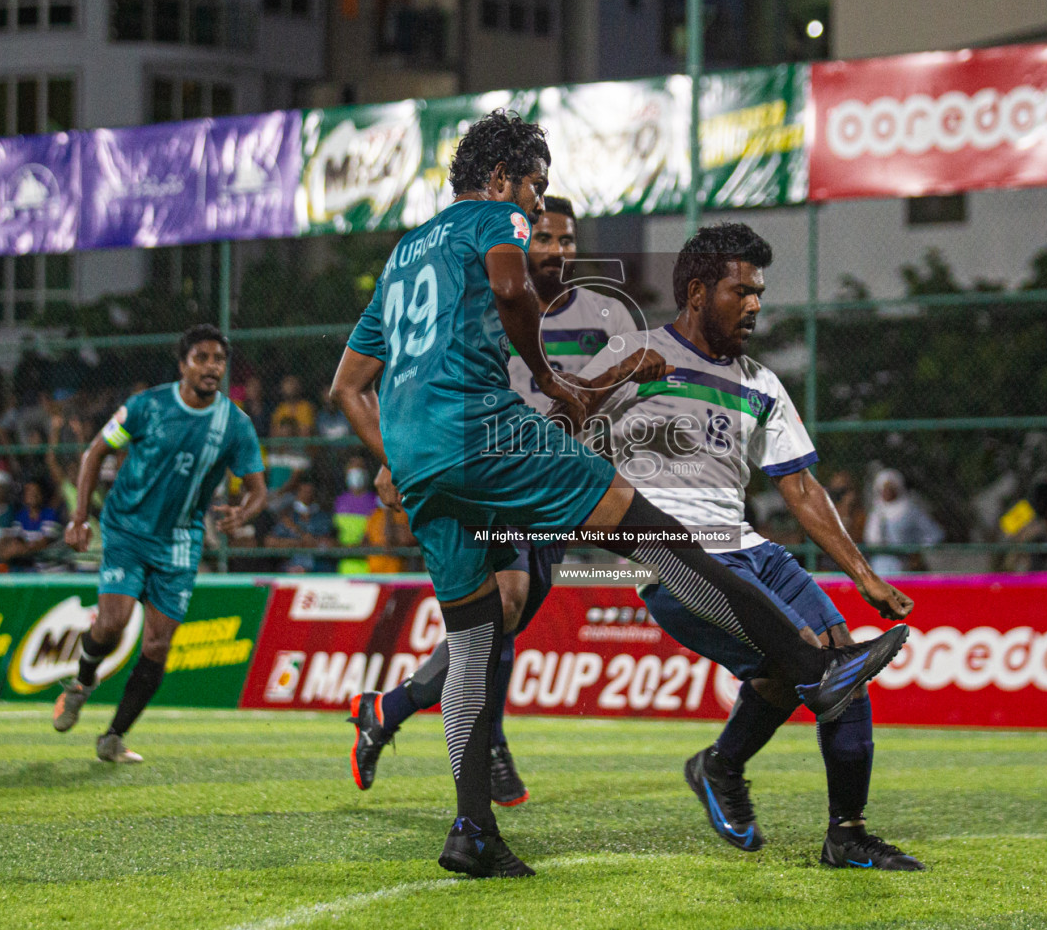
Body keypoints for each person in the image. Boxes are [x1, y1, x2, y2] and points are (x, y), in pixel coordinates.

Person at [330, 110, 907, 878]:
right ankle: (811, 666)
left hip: (423, 458)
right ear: (503, 177)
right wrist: (552, 379)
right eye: (535, 192)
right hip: (486, 433)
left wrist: (395, 458)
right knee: (657, 537)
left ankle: (471, 830)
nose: (537, 211)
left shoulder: (403, 253)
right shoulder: (492, 215)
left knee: (475, 638)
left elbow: (347, 386)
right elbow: (510, 285)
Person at [573, 223, 923, 870]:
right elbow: (555, 429)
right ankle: (724, 768)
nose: (756, 304)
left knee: (841, 663)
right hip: (680, 559)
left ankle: (842, 830)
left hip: (755, 552)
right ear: (699, 291)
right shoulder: (635, 353)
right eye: (742, 291)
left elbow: (801, 487)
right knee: (807, 668)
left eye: (760, 292)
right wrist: (611, 381)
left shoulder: (760, 383)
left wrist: (865, 576)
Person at [346, 194, 642, 807]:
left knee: (508, 616)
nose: (559, 249)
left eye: (567, 240)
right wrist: (392, 458)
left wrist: (621, 374)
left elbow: (575, 402)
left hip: (542, 480)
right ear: (519, 240)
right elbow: (428, 386)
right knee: (502, 605)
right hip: (485, 474)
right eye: (546, 237)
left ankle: (390, 709)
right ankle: (486, 747)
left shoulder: (592, 317)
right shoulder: (482, 294)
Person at [51, 325, 267, 763]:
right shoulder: (147, 406)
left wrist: (245, 512)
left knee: (157, 646)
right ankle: (82, 683)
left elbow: (257, 488)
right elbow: (95, 452)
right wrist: (79, 518)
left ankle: (113, 736)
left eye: (219, 360)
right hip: (128, 531)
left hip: (181, 543)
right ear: (183, 363)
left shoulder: (235, 424)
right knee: (113, 622)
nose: (212, 368)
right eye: (202, 358)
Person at [863, 470, 944, 576]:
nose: (886, 492)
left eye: (890, 488)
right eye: (883, 488)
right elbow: (870, 539)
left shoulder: (909, 510)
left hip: (904, 565)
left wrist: (917, 551)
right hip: (879, 565)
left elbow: (935, 534)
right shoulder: (876, 512)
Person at [265, 481, 334, 573]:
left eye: (310, 492)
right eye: (303, 492)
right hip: (290, 567)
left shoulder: (322, 517)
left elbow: (331, 543)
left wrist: (313, 542)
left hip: (318, 568)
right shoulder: (288, 516)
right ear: (297, 493)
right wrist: (298, 543)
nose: (306, 496)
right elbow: (270, 542)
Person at [3, 480, 64, 573]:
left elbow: (43, 543)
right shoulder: (20, 516)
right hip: (34, 571)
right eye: (29, 491)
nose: (33, 495)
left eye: (36, 491)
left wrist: (22, 549)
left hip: (53, 572)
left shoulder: (51, 515)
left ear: (42, 495)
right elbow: (16, 541)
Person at [332, 456, 378, 574]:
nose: (356, 472)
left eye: (360, 467)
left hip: (368, 565)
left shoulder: (375, 501)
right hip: (344, 565)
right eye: (352, 467)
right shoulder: (339, 501)